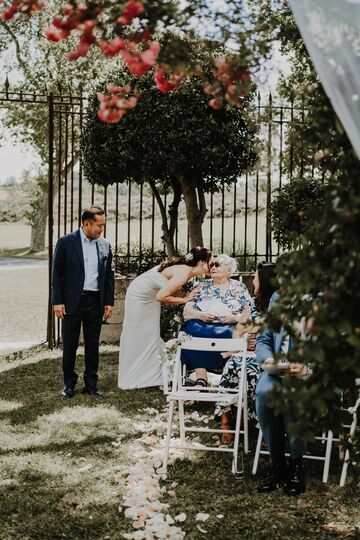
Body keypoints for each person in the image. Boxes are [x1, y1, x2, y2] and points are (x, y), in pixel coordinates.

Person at [118, 246, 212, 390]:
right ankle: (135, 376)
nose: (212, 265)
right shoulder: (184, 273)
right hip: (140, 297)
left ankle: (150, 375)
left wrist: (184, 295)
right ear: (201, 263)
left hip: (149, 297)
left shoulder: (185, 270)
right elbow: (162, 296)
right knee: (138, 333)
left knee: (151, 333)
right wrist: (185, 300)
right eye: (210, 262)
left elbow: (168, 289)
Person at [52, 206, 115, 398]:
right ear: (86, 223)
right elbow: (57, 274)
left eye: (103, 225)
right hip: (72, 302)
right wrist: (58, 302)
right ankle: (69, 384)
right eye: (99, 225)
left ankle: (91, 385)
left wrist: (109, 302)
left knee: (93, 344)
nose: (101, 229)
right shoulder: (65, 242)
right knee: (70, 344)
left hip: (95, 302)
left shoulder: (105, 245)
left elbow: (109, 276)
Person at [215, 260, 277, 443]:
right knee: (233, 364)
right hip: (246, 351)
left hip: (267, 355)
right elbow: (239, 330)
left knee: (251, 369)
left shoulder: (279, 306)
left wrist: (255, 337)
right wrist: (242, 341)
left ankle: (262, 424)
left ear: (265, 281)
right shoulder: (253, 303)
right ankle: (226, 421)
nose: (253, 282)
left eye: (256, 278)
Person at [255, 289, 307, 496]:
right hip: (278, 367)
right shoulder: (277, 297)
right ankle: (278, 464)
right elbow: (263, 339)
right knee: (263, 393)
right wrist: (268, 360)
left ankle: (296, 464)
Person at [182, 254, 257, 394]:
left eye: (217, 265)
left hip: (229, 326)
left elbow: (251, 312)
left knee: (237, 332)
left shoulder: (239, 287)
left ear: (228, 270)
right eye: (212, 265)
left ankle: (228, 375)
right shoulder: (202, 286)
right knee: (190, 331)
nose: (213, 267)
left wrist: (236, 317)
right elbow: (187, 309)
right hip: (204, 325)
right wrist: (200, 315)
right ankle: (201, 377)